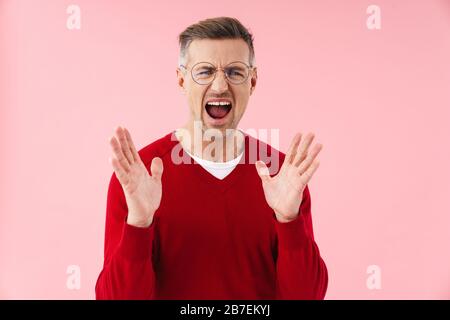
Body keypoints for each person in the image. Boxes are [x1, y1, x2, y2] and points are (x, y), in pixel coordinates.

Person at [95, 16, 328, 300]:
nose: (220, 86)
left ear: (252, 81)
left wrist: (288, 219)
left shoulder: (283, 174)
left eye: (234, 72)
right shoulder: (138, 176)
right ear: (181, 80)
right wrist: (140, 222)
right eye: (204, 72)